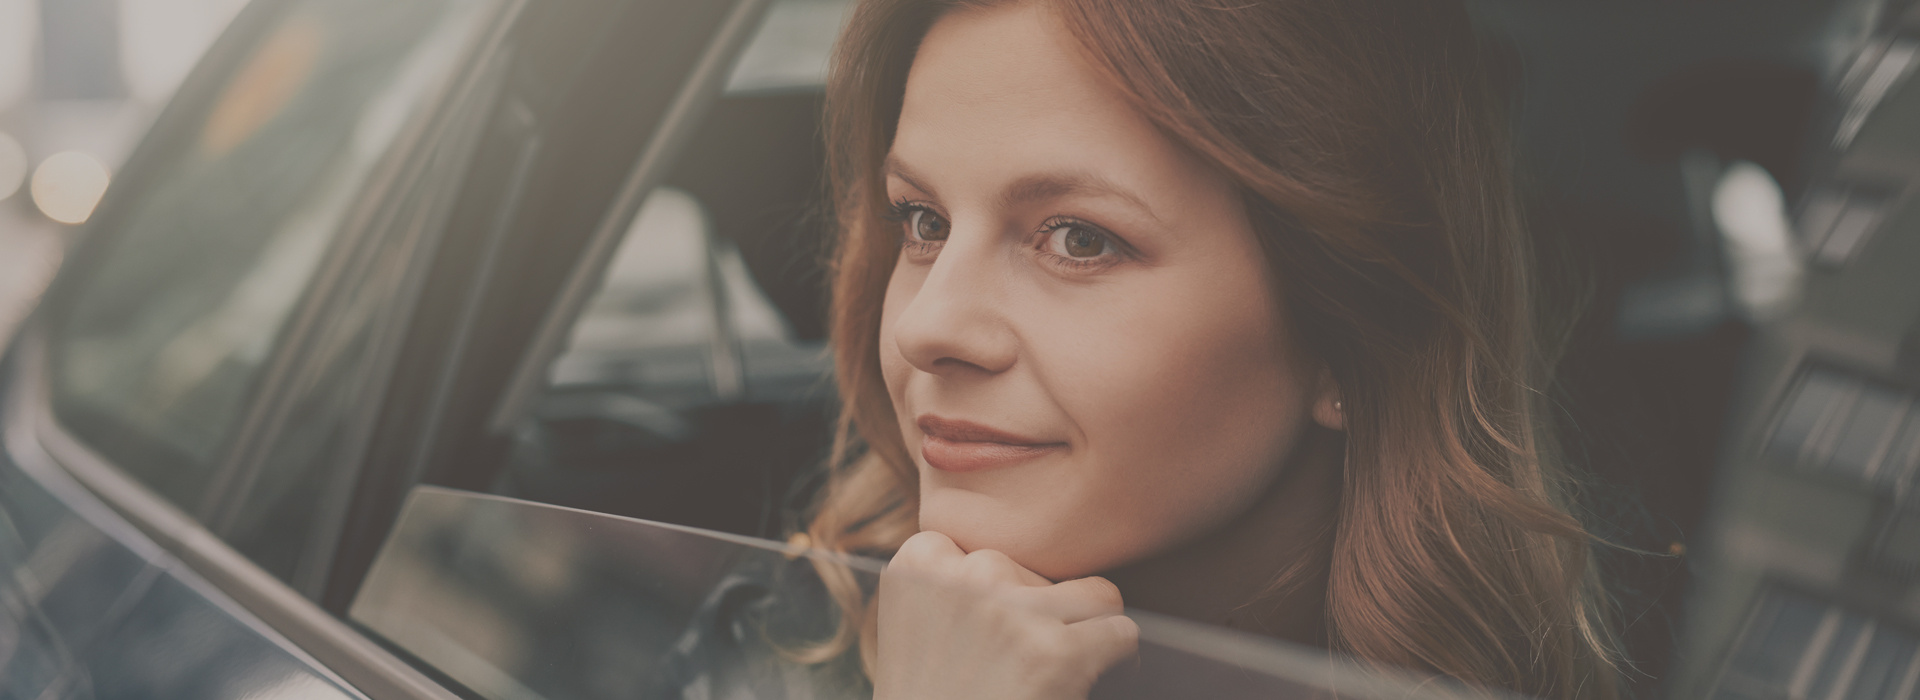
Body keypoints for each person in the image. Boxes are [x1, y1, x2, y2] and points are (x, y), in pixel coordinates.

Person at [796, 0, 1624, 698]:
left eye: (1080, 239)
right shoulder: (769, 640)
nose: (926, 327)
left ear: (1347, 332)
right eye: (924, 223)